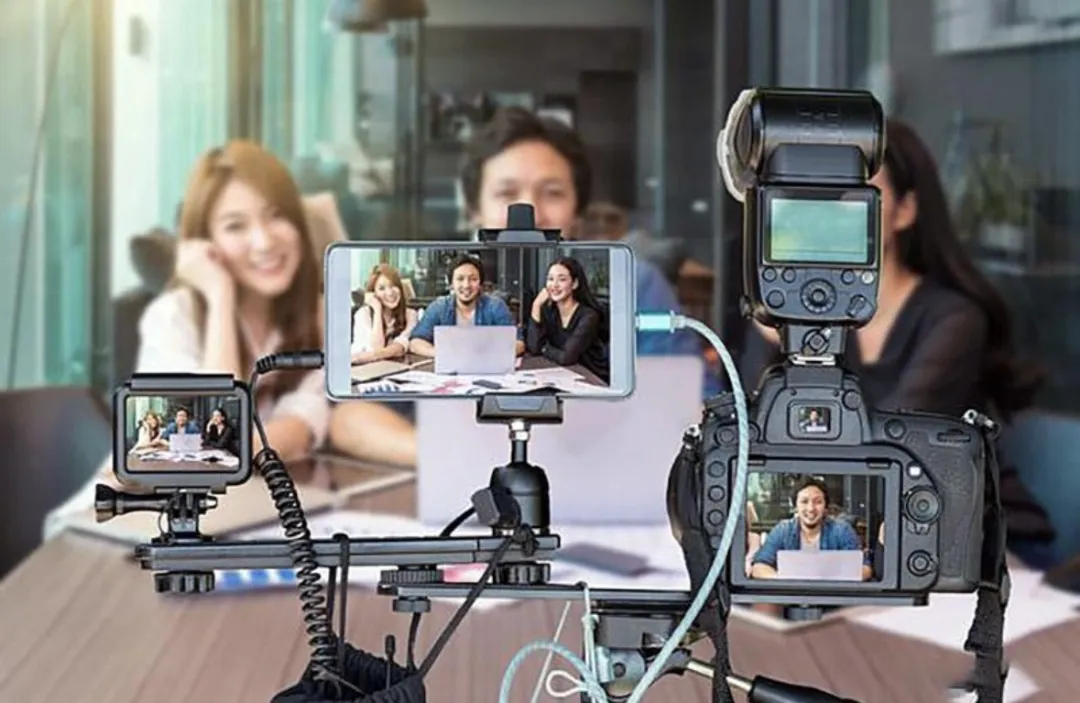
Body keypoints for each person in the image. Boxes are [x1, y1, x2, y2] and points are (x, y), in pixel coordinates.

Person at [738, 119, 1054, 568]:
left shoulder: (954, 318)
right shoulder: (791, 312)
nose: (832, 211)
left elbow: (887, 452)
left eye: (856, 193)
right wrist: (773, 337)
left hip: (979, 539)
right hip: (856, 536)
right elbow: (754, 441)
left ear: (904, 211)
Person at [457, 107, 721, 397]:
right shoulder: (459, 292)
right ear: (474, 210)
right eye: (507, 194)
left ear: (577, 214)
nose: (532, 213)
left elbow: (696, 403)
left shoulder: (635, 285)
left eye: (552, 193)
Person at [750, 475, 873, 582]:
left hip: (832, 596)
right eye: (804, 501)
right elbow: (758, 567)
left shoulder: (841, 530)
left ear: (826, 507)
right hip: (791, 596)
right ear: (795, 506)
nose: (810, 508)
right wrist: (785, 580)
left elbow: (865, 569)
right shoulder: (782, 530)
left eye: (818, 502)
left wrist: (834, 582)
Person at [407, 255, 525, 357]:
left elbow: (518, 343)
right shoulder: (439, 307)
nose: (466, 285)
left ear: (480, 284)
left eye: (473, 279)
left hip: (486, 368)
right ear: (451, 284)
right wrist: (442, 354)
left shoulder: (495, 306)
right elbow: (416, 342)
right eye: (460, 279)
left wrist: (488, 355)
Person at [526, 256, 609, 383]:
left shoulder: (589, 316)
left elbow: (566, 358)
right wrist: (536, 305)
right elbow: (534, 348)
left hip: (593, 377)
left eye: (562, 279)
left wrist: (544, 348)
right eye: (550, 279)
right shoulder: (549, 311)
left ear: (574, 284)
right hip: (564, 376)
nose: (554, 285)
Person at [351, 263, 418, 363]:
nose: (390, 293)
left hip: (393, 367)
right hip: (361, 367)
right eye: (382, 288)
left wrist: (380, 353)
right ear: (373, 293)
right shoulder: (363, 314)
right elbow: (376, 347)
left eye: (393, 286)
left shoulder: (410, 315)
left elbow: (400, 346)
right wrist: (377, 310)